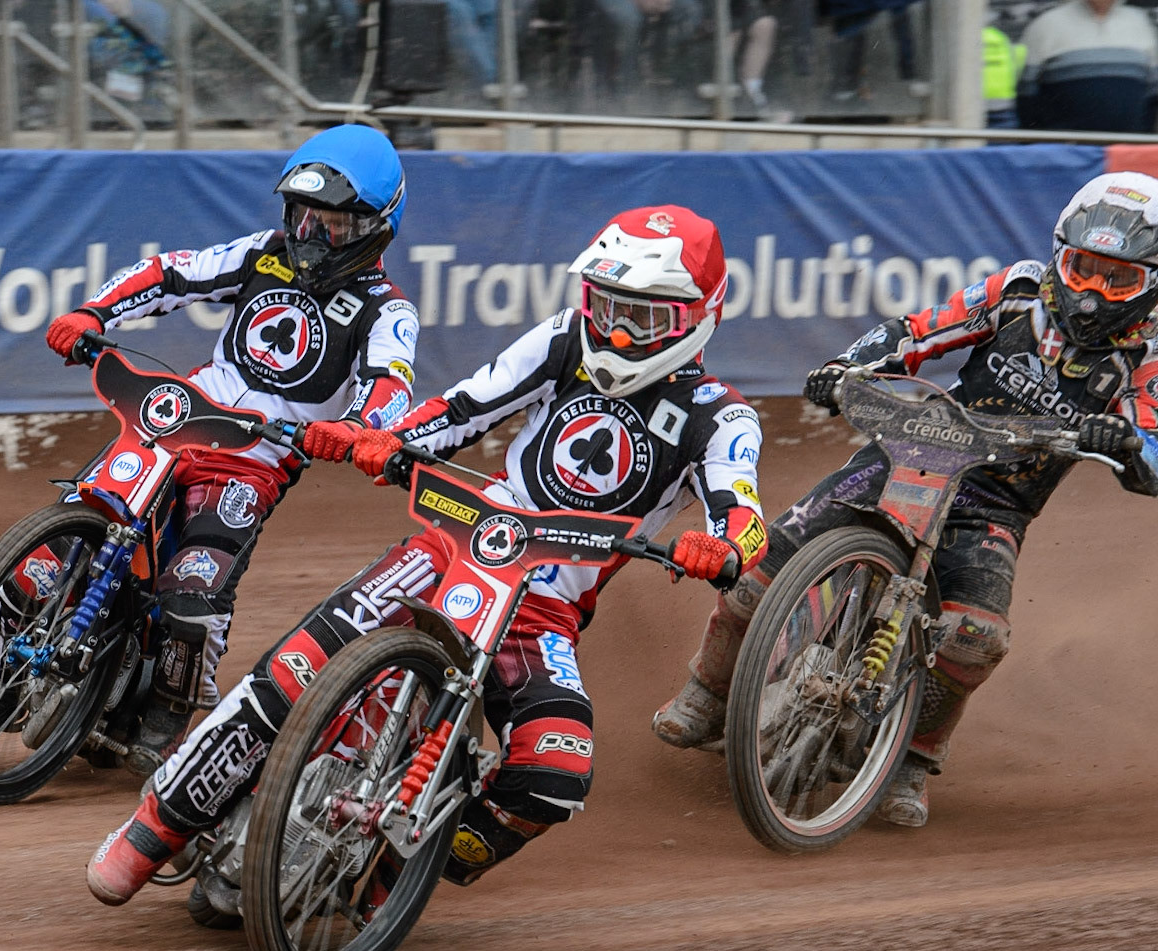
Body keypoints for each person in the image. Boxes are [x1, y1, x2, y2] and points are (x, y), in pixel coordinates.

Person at [85, 204, 770, 909]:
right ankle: (155, 827)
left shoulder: (722, 416)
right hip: (457, 543)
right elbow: (465, 406)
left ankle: (392, 875)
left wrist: (721, 549)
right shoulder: (565, 338)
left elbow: (745, 518)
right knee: (297, 668)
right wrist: (392, 440)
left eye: (643, 319)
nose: (617, 332)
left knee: (554, 771)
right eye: (607, 305)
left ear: (698, 317)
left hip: (543, 611)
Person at [654, 171, 1158, 828]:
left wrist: (1125, 441)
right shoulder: (1018, 292)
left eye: (1117, 279)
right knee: (760, 571)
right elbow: (918, 331)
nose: (1092, 293)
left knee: (976, 636)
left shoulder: (1147, 357)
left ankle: (914, 758)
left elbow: (1152, 449)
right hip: (906, 454)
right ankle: (708, 692)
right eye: (1083, 269)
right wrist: (847, 368)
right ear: (1059, 256)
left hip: (993, 505)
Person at [38, 123, 420, 778]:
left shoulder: (387, 308)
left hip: (256, 457)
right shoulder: (262, 252)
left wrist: (357, 427)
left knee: (193, 591)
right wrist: (94, 313)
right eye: (303, 216)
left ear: (374, 229)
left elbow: (391, 384)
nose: (311, 236)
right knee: (55, 545)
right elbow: (172, 273)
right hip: (178, 419)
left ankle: (168, 712)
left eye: (332, 225)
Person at [1018, 0, 1158, 133]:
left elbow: (1153, 90)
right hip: (1064, 146)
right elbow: (1026, 94)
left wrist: (1143, 136)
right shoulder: (1046, 25)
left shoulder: (1139, 22)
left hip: (1129, 146)